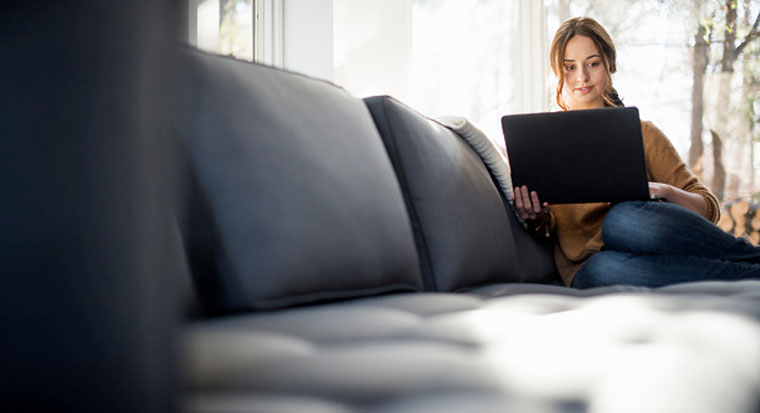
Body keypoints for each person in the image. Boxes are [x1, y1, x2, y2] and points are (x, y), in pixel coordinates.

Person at [514, 16, 760, 289]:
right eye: (569, 67)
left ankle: (753, 259)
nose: (581, 77)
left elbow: (708, 208)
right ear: (558, 73)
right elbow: (548, 231)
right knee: (600, 268)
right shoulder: (545, 143)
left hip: (646, 240)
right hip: (591, 265)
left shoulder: (642, 133)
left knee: (620, 220)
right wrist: (535, 217)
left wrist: (664, 190)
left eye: (592, 64)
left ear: (610, 64)